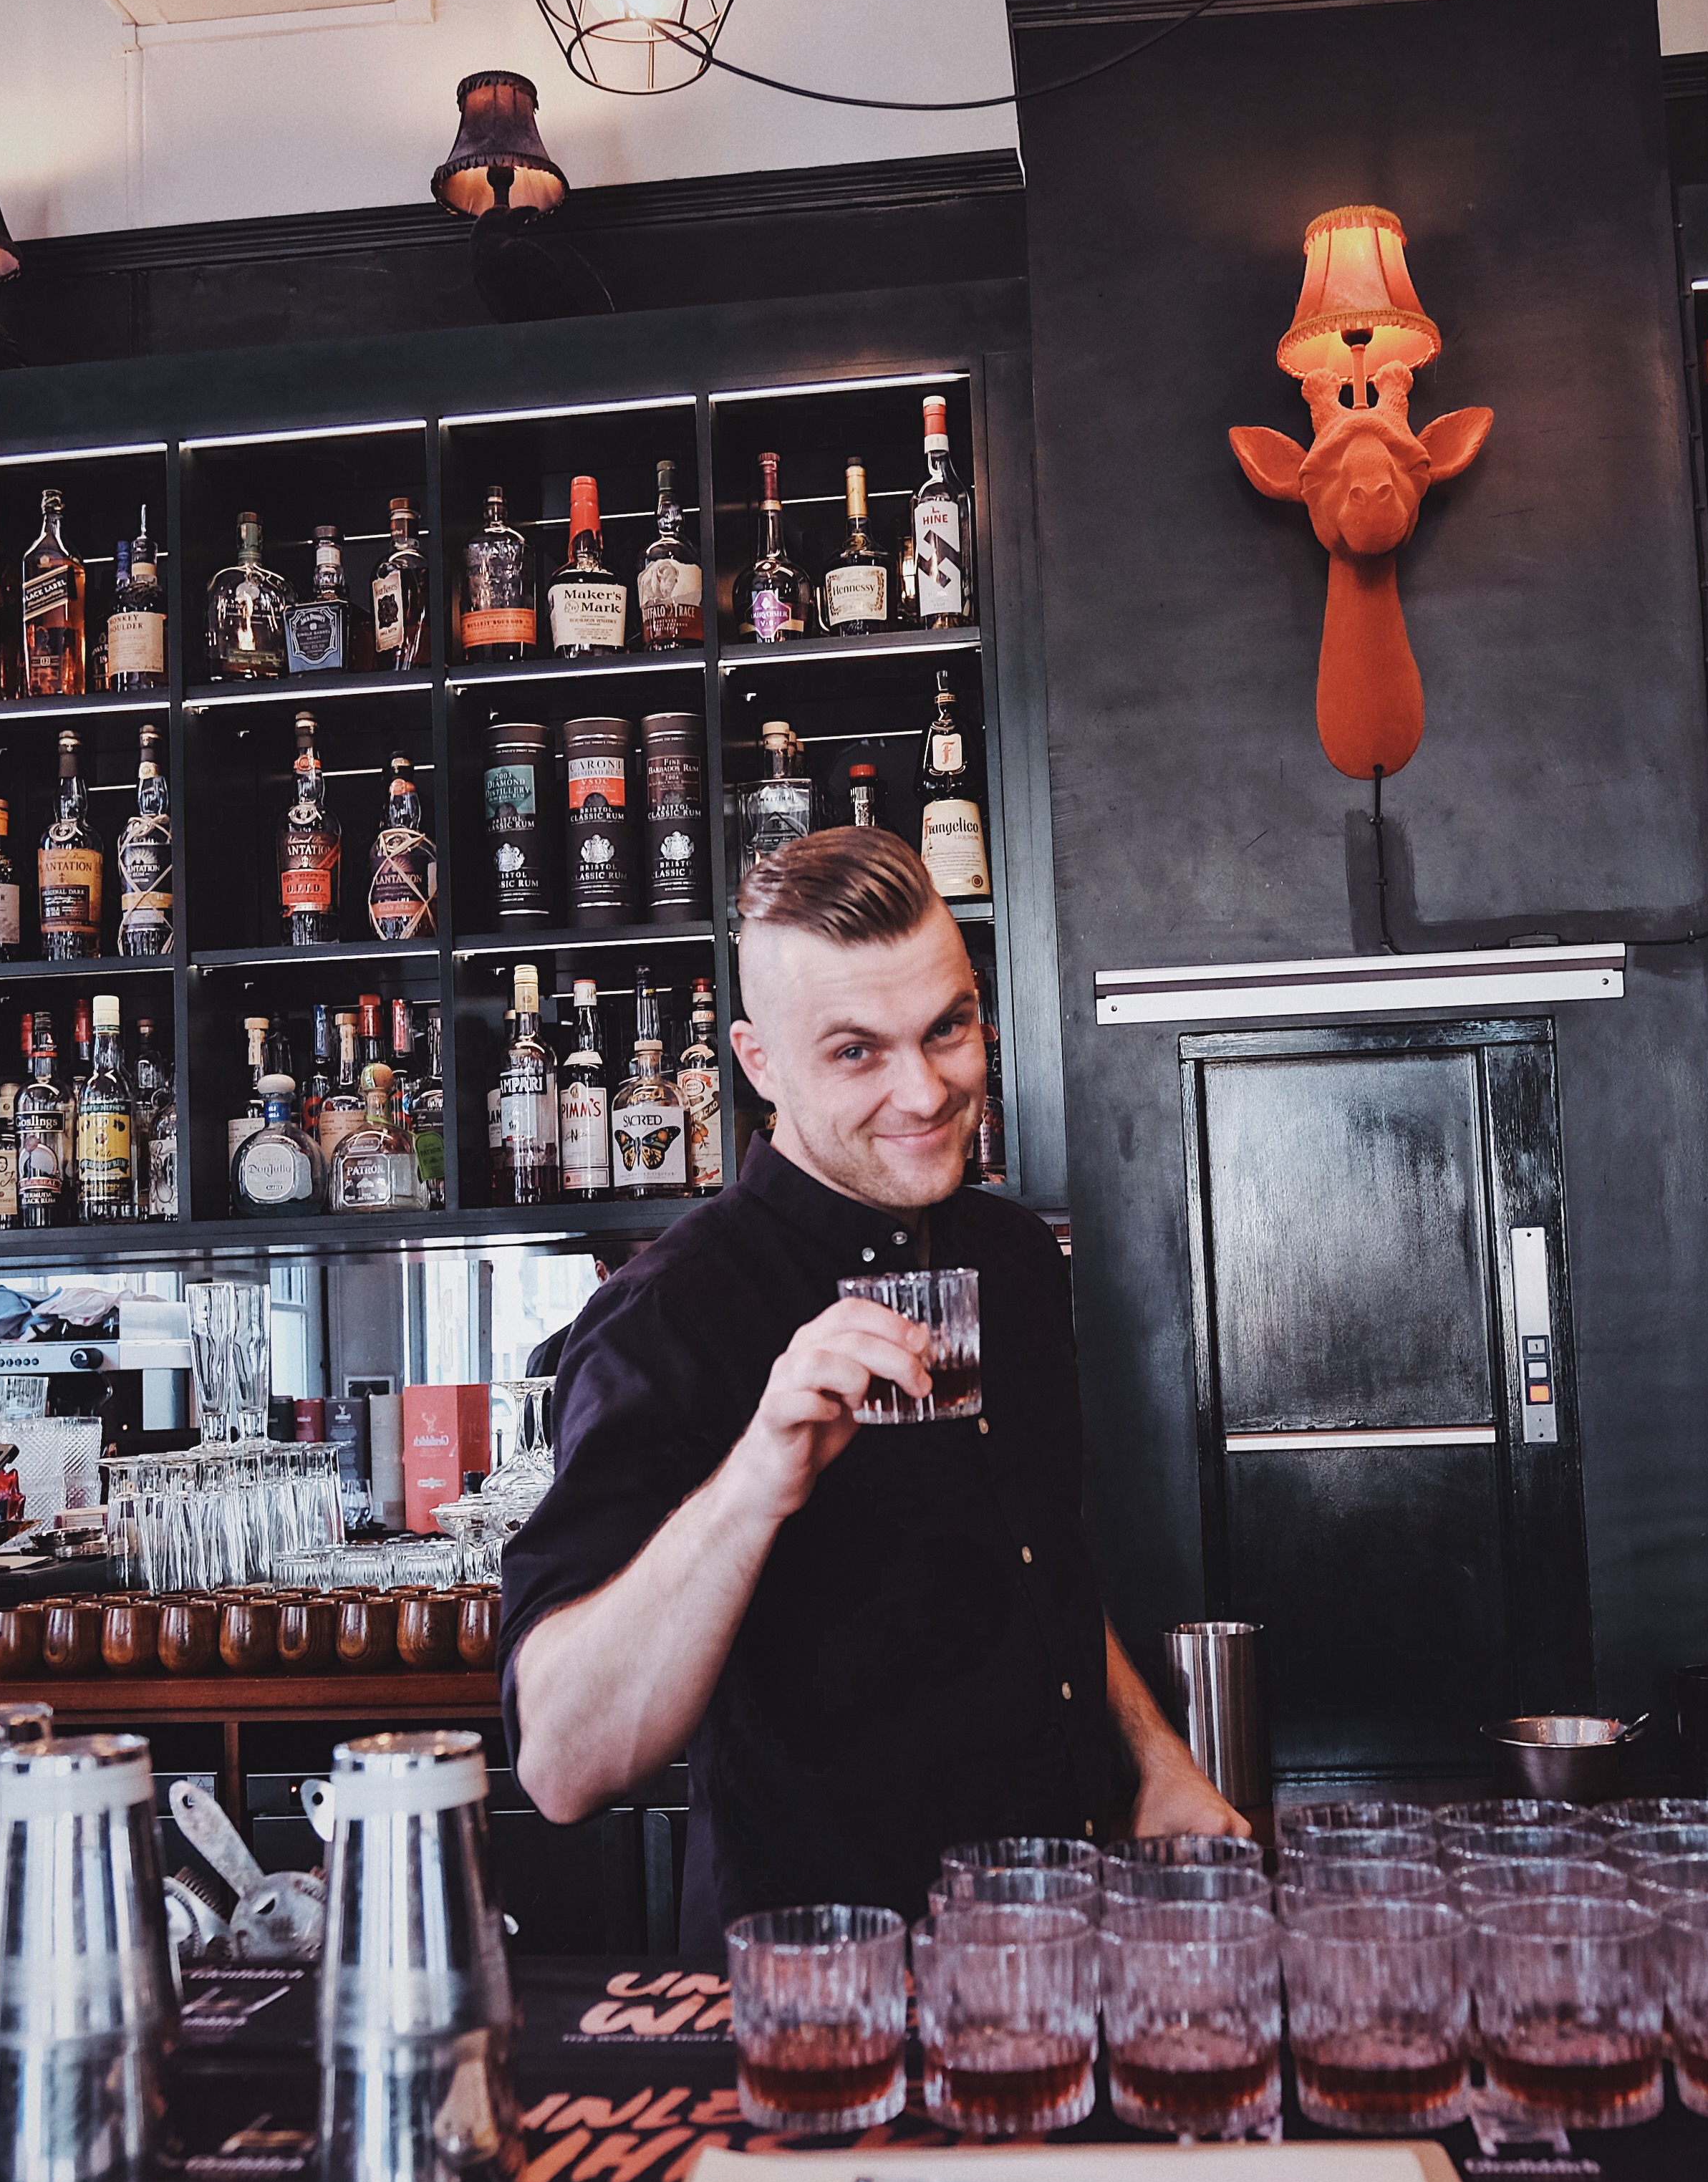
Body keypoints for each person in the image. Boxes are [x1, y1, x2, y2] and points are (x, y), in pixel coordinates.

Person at [498, 829, 1241, 1956]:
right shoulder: (670, 1316)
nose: (926, 1088)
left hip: (1066, 1951)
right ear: (757, 1064)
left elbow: (1040, 1565)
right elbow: (560, 1762)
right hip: (827, 2005)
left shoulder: (1017, 1257)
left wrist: (1157, 1767)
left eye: (948, 1027)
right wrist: (756, 1480)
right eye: (856, 1051)